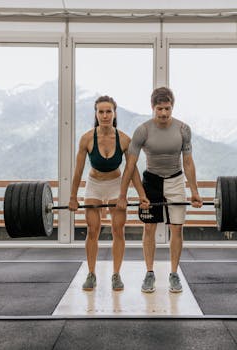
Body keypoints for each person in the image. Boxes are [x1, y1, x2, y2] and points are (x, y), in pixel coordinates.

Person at [117, 87, 203, 293]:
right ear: (152, 107)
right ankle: (149, 273)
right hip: (151, 181)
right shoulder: (143, 131)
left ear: (172, 107)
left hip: (175, 179)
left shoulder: (183, 129)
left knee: (177, 229)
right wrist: (123, 195)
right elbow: (130, 165)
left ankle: (174, 274)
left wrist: (195, 191)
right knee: (149, 228)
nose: (164, 113)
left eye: (167, 108)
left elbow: (188, 162)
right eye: (159, 109)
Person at [69, 95, 146, 292]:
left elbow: (133, 171)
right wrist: (72, 197)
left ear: (114, 113)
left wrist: (141, 196)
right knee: (92, 230)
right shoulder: (87, 138)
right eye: (101, 111)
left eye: (108, 111)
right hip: (94, 184)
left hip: (115, 184)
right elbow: (78, 171)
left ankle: (116, 274)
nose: (105, 115)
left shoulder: (124, 139)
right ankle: (92, 273)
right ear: (96, 114)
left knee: (117, 230)